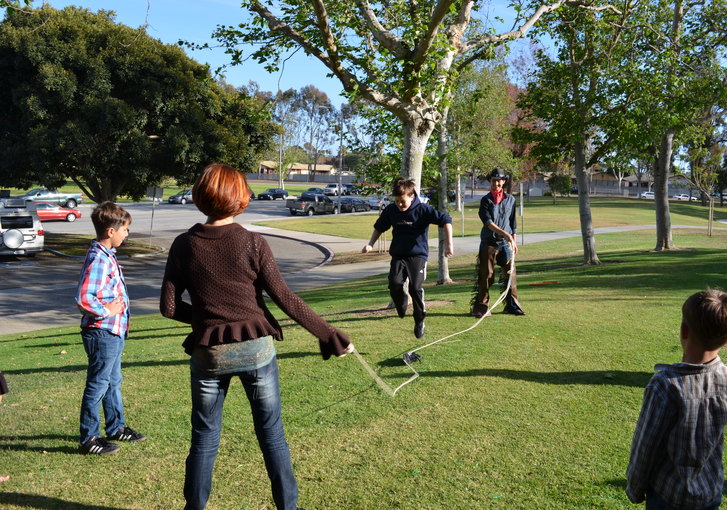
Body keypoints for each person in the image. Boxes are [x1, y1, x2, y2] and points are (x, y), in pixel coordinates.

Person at [160, 163, 353, 510]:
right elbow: (285, 297)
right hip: (255, 350)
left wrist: (207, 323)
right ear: (240, 199)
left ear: (200, 197)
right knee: (271, 434)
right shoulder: (253, 242)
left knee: (204, 437)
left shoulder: (182, 245)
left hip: (209, 354)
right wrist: (329, 334)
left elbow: (170, 307)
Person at [626, 289, 727, 510]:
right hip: (711, 491)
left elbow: (646, 446)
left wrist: (635, 488)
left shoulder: (665, 385)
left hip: (668, 496)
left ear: (683, 330)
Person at [75, 202, 146, 455]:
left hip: (112, 333)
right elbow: (84, 297)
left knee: (113, 380)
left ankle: (116, 427)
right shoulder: (99, 259)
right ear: (110, 231)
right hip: (102, 332)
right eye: (125, 230)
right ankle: (89, 438)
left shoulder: (107, 255)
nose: (127, 234)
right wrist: (108, 311)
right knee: (98, 383)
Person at [362, 178, 453, 339]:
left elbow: (446, 220)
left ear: (411, 196)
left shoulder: (423, 210)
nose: (399, 204)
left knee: (415, 287)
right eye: (396, 201)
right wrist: (370, 244)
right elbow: (379, 227)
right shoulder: (391, 210)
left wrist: (448, 245)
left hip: (417, 255)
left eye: (402, 201)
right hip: (398, 254)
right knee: (394, 283)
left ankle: (419, 320)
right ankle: (401, 301)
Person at [470, 168, 525, 318]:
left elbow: (512, 223)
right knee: (486, 275)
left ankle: (512, 305)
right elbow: (488, 222)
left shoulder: (511, 200)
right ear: (490, 181)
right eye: (494, 180)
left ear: (504, 181)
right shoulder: (485, 200)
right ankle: (481, 306)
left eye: (499, 180)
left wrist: (513, 241)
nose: (496, 183)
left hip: (506, 243)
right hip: (489, 242)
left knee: (510, 274)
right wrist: (506, 234)